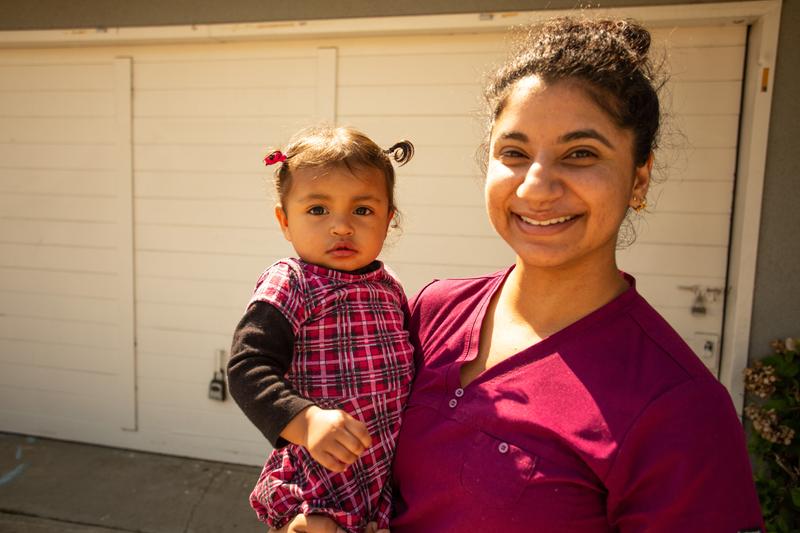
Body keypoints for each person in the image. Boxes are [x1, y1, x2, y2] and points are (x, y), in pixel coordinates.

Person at [274, 16, 764, 533]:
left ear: (639, 177)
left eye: (581, 154)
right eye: (515, 152)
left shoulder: (680, 409)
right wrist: (307, 517)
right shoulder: (430, 311)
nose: (535, 187)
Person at [227, 125, 416, 533]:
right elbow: (247, 367)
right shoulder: (291, 281)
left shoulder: (390, 288)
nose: (341, 226)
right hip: (315, 480)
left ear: (389, 219)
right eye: (318, 210)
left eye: (362, 210)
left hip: (378, 475)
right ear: (285, 221)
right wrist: (307, 421)